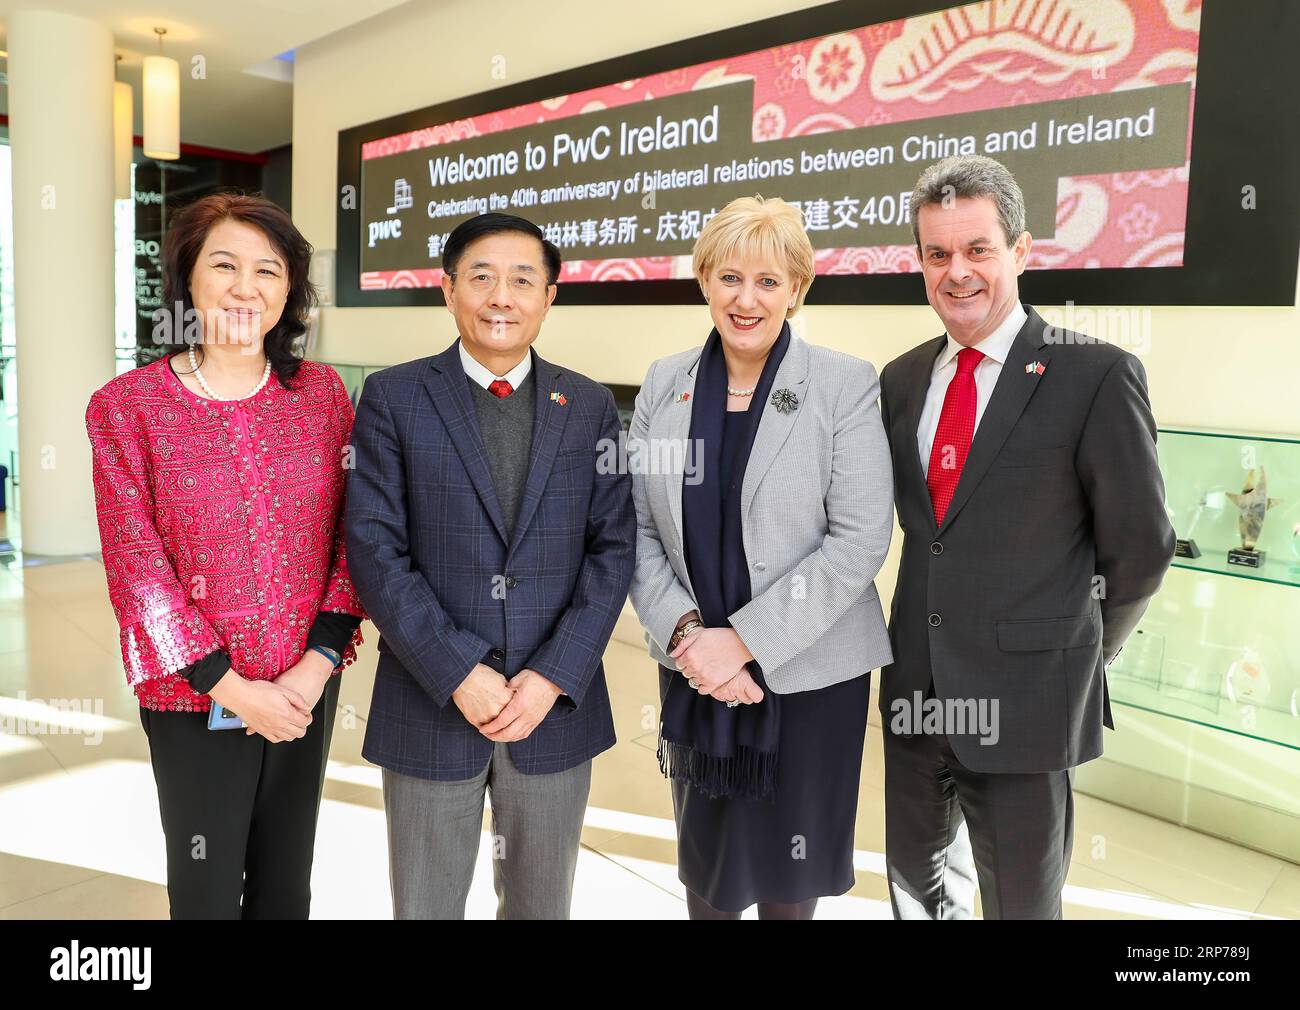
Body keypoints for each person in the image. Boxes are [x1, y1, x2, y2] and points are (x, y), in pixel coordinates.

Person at [878, 155, 1176, 919]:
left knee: (1019, 906)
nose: (957, 272)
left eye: (977, 249)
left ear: (1021, 250)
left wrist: (1076, 653)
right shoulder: (903, 379)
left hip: (1028, 700)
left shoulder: (1095, 373)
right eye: (937, 254)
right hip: (916, 689)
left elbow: (1140, 546)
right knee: (915, 893)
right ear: (919, 261)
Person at [345, 212, 635, 920]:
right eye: (481, 277)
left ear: (548, 297)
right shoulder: (394, 397)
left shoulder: (589, 404)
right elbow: (374, 548)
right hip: (430, 701)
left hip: (553, 711)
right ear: (448, 292)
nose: (500, 296)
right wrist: (457, 672)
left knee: (541, 907)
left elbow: (613, 549)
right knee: (425, 906)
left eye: (522, 279)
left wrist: (549, 677)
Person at [86, 192, 365, 919]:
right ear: (188, 279)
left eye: (268, 270)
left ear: (289, 290)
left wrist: (315, 666)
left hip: (306, 686)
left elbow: (353, 538)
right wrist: (232, 688)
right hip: (195, 697)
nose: (247, 287)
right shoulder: (128, 407)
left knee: (285, 886)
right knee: (206, 891)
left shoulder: (324, 396)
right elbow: (136, 566)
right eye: (225, 265)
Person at [628, 196, 894, 920]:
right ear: (705, 281)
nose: (747, 299)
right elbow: (637, 530)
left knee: (790, 881)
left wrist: (743, 642)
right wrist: (690, 639)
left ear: (797, 291)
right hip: (694, 673)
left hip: (809, 678)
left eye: (770, 282)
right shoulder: (664, 383)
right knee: (708, 878)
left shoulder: (843, 383)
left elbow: (861, 537)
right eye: (730, 278)